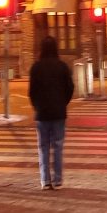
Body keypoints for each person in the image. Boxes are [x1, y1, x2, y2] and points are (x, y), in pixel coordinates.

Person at [28, 35, 75, 190]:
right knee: (58, 146)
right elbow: (70, 88)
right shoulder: (62, 66)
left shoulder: (36, 67)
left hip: (42, 113)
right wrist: (63, 103)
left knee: (43, 147)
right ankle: (58, 180)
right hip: (58, 112)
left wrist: (37, 106)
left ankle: (45, 180)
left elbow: (32, 91)